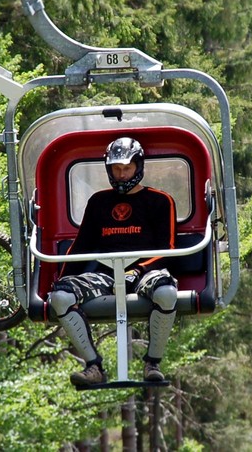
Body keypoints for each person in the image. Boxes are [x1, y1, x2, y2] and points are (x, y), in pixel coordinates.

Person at [48, 137, 179, 387]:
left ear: (138, 166)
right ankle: (93, 366)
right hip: (106, 272)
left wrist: (138, 270)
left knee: (166, 293)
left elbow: (168, 249)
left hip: (146, 271)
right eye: (116, 169)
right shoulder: (98, 202)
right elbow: (81, 247)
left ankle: (153, 362)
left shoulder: (160, 201)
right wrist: (60, 281)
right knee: (61, 297)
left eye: (126, 168)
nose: (121, 175)